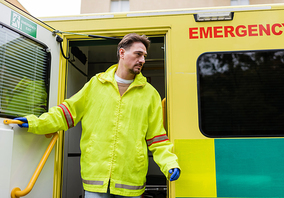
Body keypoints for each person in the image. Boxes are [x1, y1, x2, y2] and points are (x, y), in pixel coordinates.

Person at [15, 33, 180, 198]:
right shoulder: (96, 84)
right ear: (122, 53)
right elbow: (66, 113)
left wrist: (169, 163)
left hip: (131, 181)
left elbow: (157, 138)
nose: (142, 60)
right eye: (138, 54)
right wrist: (35, 123)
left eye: (144, 56)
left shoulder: (150, 94)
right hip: (95, 179)